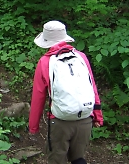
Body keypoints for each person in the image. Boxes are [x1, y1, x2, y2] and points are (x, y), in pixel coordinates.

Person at [28, 20, 103, 164]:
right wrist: (97, 115)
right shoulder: (81, 57)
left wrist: (33, 127)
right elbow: (92, 86)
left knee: (57, 160)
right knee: (79, 159)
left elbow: (38, 98)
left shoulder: (44, 62)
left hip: (60, 122)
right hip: (85, 118)